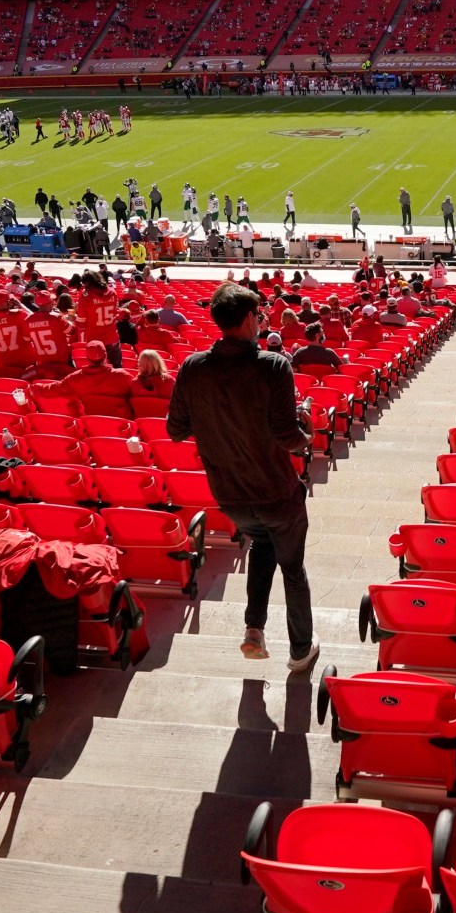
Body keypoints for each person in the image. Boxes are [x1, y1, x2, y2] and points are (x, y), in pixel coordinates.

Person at [169, 284, 317, 670]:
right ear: (250, 319)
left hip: (231, 497)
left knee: (263, 546)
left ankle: (255, 629)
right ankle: (301, 650)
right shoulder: (272, 365)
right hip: (275, 493)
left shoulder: (192, 366)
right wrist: (308, 435)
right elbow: (289, 438)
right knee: (293, 569)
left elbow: (175, 429)